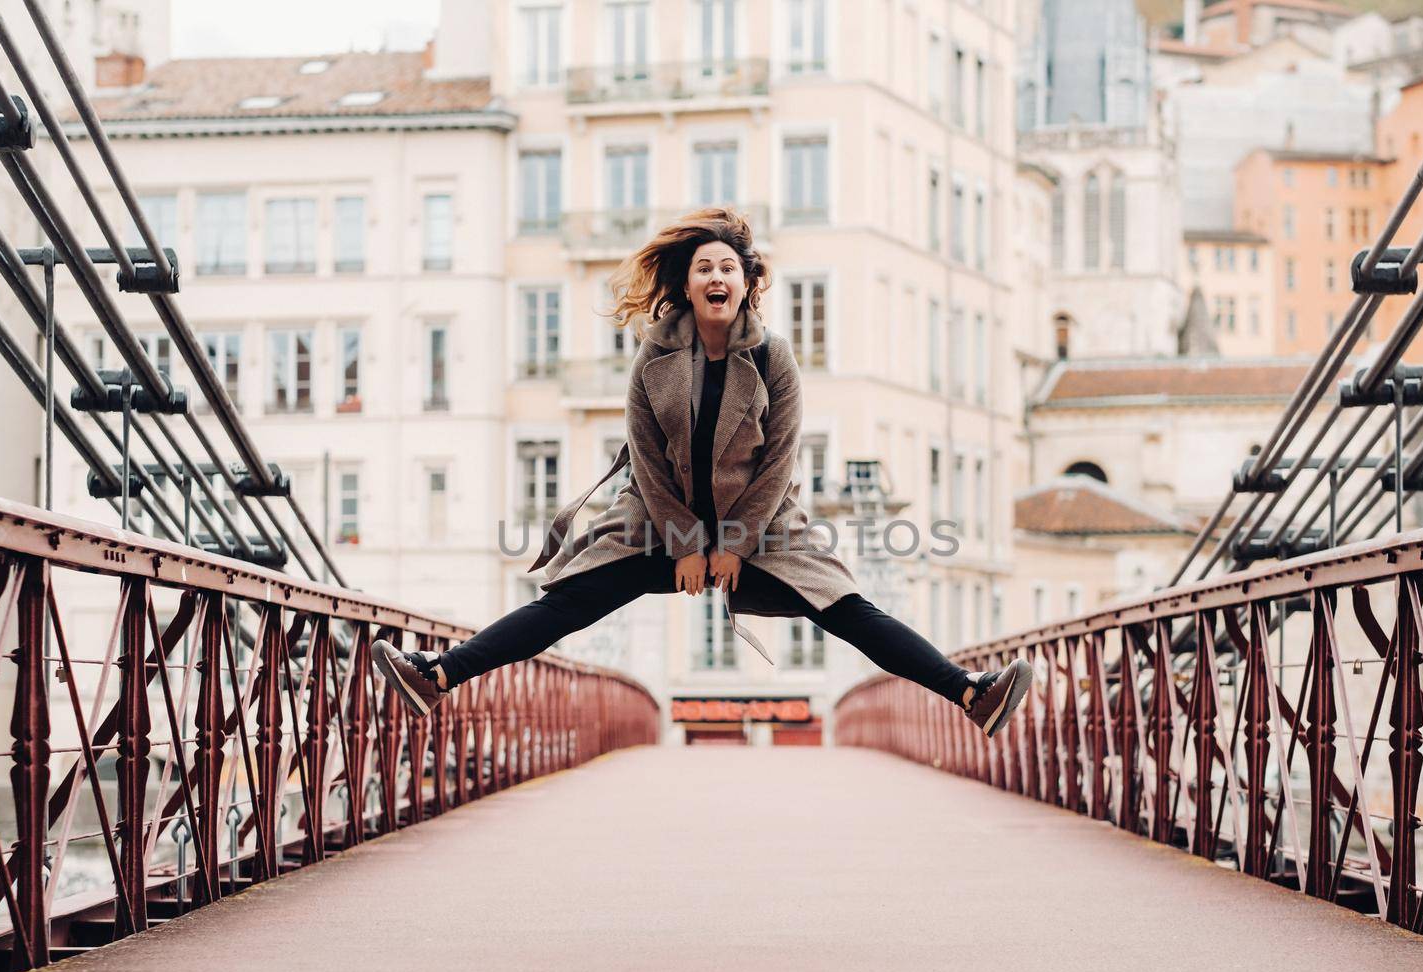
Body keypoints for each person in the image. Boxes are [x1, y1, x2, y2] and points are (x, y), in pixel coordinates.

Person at [372, 207, 1031, 735]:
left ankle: (971, 695)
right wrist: (687, 541)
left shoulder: (775, 357)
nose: (716, 277)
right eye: (703, 267)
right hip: (661, 519)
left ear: (746, 283)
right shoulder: (653, 356)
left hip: (763, 520)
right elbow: (648, 459)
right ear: (687, 285)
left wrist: (736, 544)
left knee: (848, 607)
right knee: (566, 603)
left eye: (727, 267)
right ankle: (435, 677)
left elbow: (779, 462)